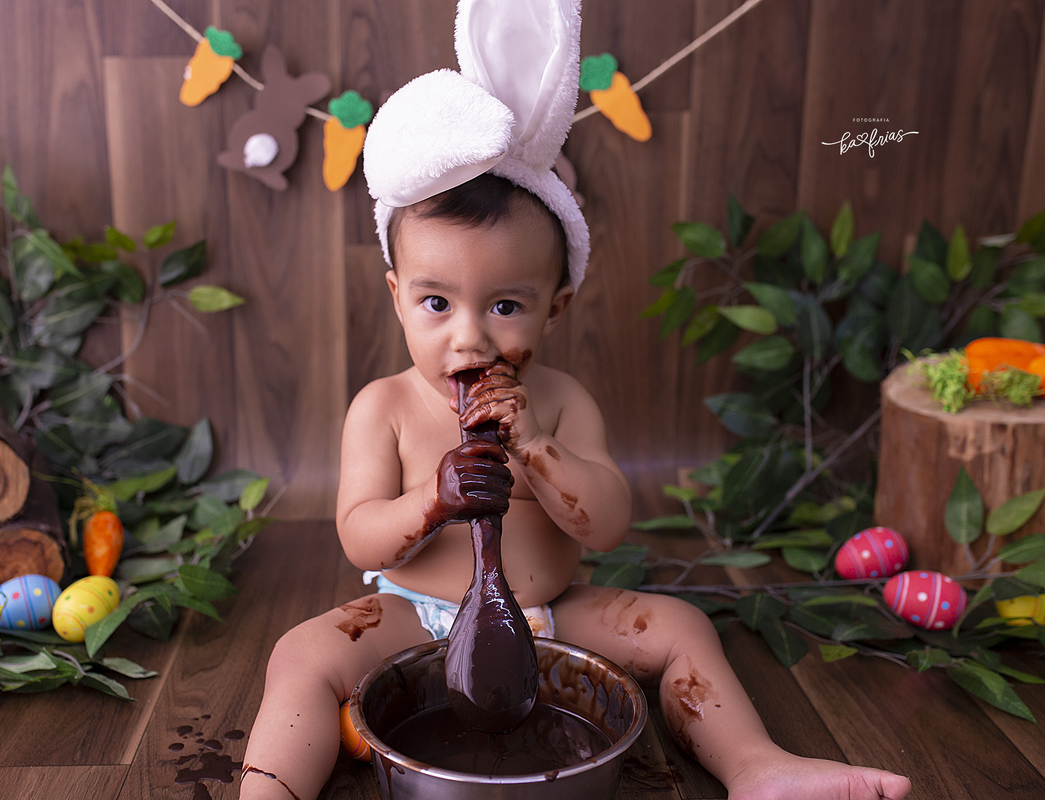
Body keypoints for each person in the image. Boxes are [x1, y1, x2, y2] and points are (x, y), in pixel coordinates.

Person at [241, 2, 911, 797]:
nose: (469, 339)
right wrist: (431, 499)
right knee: (302, 655)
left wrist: (536, 450)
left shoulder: (557, 402)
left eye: (505, 306)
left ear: (555, 305)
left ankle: (758, 767)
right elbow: (361, 538)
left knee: (684, 627)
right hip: (411, 613)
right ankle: (268, 791)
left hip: (551, 611)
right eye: (435, 303)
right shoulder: (381, 408)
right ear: (395, 295)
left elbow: (606, 520)